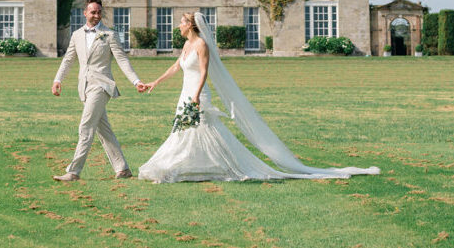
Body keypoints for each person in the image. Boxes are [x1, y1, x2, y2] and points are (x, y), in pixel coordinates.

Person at [139, 12, 380, 183]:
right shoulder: (186, 45)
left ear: (190, 25)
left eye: (181, 23)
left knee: (201, 129)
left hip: (196, 94)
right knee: (186, 131)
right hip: (185, 94)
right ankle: (190, 167)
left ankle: (189, 167)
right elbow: (176, 67)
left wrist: (197, 96)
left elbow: (203, 71)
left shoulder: (201, 44)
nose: (178, 27)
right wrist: (154, 82)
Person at [52, 0, 147, 181]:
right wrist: (58, 80)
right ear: (85, 13)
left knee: (86, 125)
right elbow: (68, 59)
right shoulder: (77, 35)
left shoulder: (109, 34)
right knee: (103, 129)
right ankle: (123, 169)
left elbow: (122, 60)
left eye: (99, 12)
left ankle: (73, 172)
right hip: (85, 87)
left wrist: (136, 81)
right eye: (93, 12)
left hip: (102, 86)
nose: (96, 15)